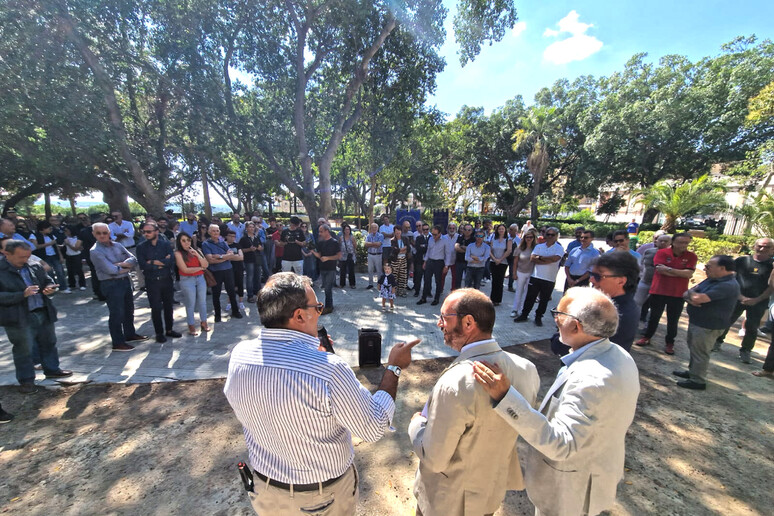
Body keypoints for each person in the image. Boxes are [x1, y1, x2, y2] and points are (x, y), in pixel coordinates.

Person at [223, 272, 419, 516]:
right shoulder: (328, 370)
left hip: (266, 491)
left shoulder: (240, 354)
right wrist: (394, 367)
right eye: (317, 307)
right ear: (299, 315)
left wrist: (319, 356)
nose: (319, 312)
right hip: (319, 499)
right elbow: (373, 426)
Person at [473, 287, 640, 516]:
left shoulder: (591, 379)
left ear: (575, 325)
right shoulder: (618, 354)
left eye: (557, 314)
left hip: (570, 490)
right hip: (593, 471)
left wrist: (506, 397)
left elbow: (562, 444)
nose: (555, 320)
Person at [408, 288, 538, 516]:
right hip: (489, 494)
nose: (439, 324)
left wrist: (416, 425)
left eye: (443, 317)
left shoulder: (456, 382)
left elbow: (435, 459)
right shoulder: (527, 369)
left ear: (469, 322)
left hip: (448, 501)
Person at [0, 240, 73, 393]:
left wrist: (49, 288)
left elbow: (48, 280)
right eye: (21, 257)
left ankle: (52, 369)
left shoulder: (34, 265)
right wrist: (21, 294)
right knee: (23, 349)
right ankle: (26, 381)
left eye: (28, 256)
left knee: (49, 342)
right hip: (18, 317)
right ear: (6, 254)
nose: (25, 260)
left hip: (42, 311)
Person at [674, 255, 740, 390]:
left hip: (709, 325)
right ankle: (693, 372)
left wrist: (692, 295)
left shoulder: (727, 285)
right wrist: (692, 295)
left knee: (700, 352)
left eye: (709, 266)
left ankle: (698, 381)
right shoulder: (712, 279)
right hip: (699, 322)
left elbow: (697, 297)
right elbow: (687, 293)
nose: (705, 268)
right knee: (694, 348)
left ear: (722, 268)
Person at [713, 238, 774, 363]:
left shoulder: (772, 266)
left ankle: (746, 350)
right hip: (737, 297)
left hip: (759, 301)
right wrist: (740, 296)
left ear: (772, 249)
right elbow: (731, 277)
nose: (762, 249)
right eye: (760, 246)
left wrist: (757, 299)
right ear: (754, 246)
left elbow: (771, 286)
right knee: (727, 320)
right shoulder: (742, 260)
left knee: (752, 327)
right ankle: (717, 342)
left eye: (767, 247)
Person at [89, 223, 148, 352]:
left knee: (128, 310)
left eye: (105, 232)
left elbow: (133, 259)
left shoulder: (118, 245)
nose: (102, 235)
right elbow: (111, 270)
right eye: (98, 233)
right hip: (110, 284)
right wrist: (126, 267)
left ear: (109, 233)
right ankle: (118, 342)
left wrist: (121, 265)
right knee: (117, 313)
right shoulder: (95, 251)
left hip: (125, 281)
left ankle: (130, 334)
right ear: (94, 234)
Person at [635, 233, 697, 355]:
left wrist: (669, 270)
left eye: (686, 243)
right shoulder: (662, 253)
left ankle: (670, 343)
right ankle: (647, 337)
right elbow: (659, 269)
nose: (683, 245)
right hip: (659, 290)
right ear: (673, 242)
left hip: (678, 293)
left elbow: (688, 274)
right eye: (680, 242)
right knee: (654, 316)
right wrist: (680, 272)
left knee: (673, 320)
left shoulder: (691, 256)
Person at [136, 222, 182, 343]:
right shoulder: (141, 247)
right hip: (152, 282)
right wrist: (160, 264)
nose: (146, 234)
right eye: (144, 232)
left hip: (166, 280)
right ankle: (159, 333)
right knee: (156, 308)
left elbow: (171, 261)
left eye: (149, 231)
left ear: (156, 232)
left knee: (168, 307)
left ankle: (169, 330)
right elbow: (143, 265)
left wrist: (153, 262)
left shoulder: (165, 244)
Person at [589, 251, 641, 351]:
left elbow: (564, 345)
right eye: (591, 274)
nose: (591, 280)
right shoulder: (624, 305)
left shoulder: (612, 313)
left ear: (621, 281)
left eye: (598, 276)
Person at [515, 227, 564, 327]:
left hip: (549, 278)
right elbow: (533, 258)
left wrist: (540, 258)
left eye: (552, 235)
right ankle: (524, 315)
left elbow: (555, 259)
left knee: (544, 300)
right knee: (530, 297)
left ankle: (538, 317)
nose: (549, 236)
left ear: (556, 236)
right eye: (548, 234)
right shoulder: (539, 246)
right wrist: (546, 259)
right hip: (536, 276)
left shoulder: (559, 248)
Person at [202, 224, 243, 322]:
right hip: (216, 272)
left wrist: (219, 257)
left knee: (231, 292)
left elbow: (231, 254)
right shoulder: (206, 244)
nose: (216, 233)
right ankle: (217, 314)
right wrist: (225, 257)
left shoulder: (223, 242)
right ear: (209, 232)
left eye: (217, 230)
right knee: (216, 294)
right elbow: (210, 260)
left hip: (228, 270)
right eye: (213, 231)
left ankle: (235, 311)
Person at [174, 232, 210, 335]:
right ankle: (191, 325)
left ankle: (204, 323)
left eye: (188, 240)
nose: (186, 243)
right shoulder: (178, 253)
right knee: (190, 303)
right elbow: (185, 269)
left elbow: (206, 264)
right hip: (187, 279)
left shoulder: (197, 250)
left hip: (200, 278)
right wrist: (200, 268)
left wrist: (197, 255)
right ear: (179, 242)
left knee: (202, 302)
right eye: (183, 240)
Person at [418, 225, 455, 306]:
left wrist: (446, 266)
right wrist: (425, 261)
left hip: (439, 262)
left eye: (435, 234)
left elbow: (448, 254)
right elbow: (428, 251)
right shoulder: (431, 239)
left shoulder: (445, 240)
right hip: (430, 261)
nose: (433, 236)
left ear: (440, 234)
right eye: (433, 234)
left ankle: (436, 298)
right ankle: (424, 297)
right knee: (426, 280)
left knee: (438, 281)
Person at [31, 221, 69, 293]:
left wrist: (60, 256)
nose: (50, 230)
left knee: (60, 271)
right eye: (48, 228)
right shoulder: (34, 236)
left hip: (54, 255)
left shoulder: (51, 235)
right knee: (49, 273)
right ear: (42, 229)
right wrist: (49, 244)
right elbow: (36, 246)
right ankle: (52, 288)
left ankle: (63, 287)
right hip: (44, 256)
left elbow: (56, 246)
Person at [311, 224, 340, 315]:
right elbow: (319, 255)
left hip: (331, 268)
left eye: (321, 231)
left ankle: (329, 307)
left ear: (327, 231)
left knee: (328, 288)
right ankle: (328, 305)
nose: (319, 233)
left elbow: (339, 256)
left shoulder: (334, 242)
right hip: (322, 268)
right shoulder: (321, 243)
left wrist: (328, 258)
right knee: (325, 288)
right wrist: (312, 251)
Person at [510, 228, 538, 318]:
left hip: (532, 273)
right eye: (527, 237)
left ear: (534, 238)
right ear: (524, 238)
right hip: (520, 272)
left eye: (531, 237)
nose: (529, 239)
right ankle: (515, 309)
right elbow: (515, 262)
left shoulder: (536, 248)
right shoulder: (520, 248)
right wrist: (514, 273)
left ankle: (523, 310)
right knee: (519, 291)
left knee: (528, 293)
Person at [76, 214, 104, 301]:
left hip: (90, 255)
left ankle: (97, 293)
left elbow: (77, 245)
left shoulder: (84, 231)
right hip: (102, 254)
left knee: (94, 274)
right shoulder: (103, 230)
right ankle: (104, 293)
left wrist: (84, 249)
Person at [488, 224, 512, 305]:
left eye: (502, 229)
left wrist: (500, 259)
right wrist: (494, 259)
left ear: (505, 230)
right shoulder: (493, 238)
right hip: (493, 261)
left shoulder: (508, 239)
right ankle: (492, 298)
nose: (501, 230)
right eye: (499, 229)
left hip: (503, 262)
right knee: (494, 280)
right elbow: (489, 250)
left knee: (500, 280)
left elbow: (509, 251)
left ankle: (497, 299)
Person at [240, 222, 264, 303]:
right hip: (249, 259)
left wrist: (260, 248)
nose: (251, 228)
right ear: (246, 228)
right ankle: (250, 295)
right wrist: (249, 249)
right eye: (250, 227)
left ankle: (257, 293)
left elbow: (261, 247)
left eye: (253, 227)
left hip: (257, 259)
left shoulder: (256, 238)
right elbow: (241, 250)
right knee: (249, 277)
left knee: (258, 276)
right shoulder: (244, 239)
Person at [225, 230, 246, 313]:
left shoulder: (237, 245)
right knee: (230, 286)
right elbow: (222, 257)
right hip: (228, 269)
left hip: (239, 268)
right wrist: (234, 256)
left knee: (240, 284)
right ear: (226, 236)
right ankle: (229, 302)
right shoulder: (223, 245)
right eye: (230, 236)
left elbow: (241, 257)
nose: (232, 238)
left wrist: (228, 256)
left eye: (234, 236)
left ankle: (241, 302)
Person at [390, 226, 412, 297]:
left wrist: (400, 249)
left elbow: (408, 248)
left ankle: (402, 292)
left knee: (403, 276)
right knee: (395, 276)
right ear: (394, 232)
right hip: (395, 260)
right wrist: (403, 249)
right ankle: (394, 291)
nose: (398, 232)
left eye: (399, 231)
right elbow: (394, 250)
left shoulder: (405, 239)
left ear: (401, 231)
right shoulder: (392, 240)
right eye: (396, 231)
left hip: (403, 259)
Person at [63, 225, 86, 291]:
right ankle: (72, 285)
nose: (65, 232)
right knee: (70, 271)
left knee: (79, 270)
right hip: (68, 256)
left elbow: (76, 248)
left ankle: (82, 284)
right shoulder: (66, 238)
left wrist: (68, 244)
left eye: (67, 231)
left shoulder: (77, 238)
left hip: (76, 255)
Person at [453, 224, 474, 290]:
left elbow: (473, 251)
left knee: (468, 282)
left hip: (469, 263)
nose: (467, 231)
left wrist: (463, 248)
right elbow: (456, 247)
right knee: (457, 281)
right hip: (459, 262)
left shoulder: (474, 239)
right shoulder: (460, 237)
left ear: (471, 231)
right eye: (465, 229)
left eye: (469, 230)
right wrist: (467, 249)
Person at [364, 222, 384, 290]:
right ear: (371, 228)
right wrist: (374, 244)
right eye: (372, 227)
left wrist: (371, 243)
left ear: (377, 228)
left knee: (379, 270)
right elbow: (366, 244)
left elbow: (379, 244)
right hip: (370, 255)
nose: (374, 229)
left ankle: (379, 284)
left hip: (378, 255)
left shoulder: (380, 235)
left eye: (375, 227)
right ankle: (370, 284)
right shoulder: (369, 236)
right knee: (370, 270)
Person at [413, 223, 430, 297]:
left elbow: (431, 249)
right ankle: (417, 291)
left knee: (428, 277)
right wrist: (426, 247)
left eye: (427, 229)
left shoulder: (431, 238)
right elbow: (418, 248)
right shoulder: (418, 238)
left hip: (429, 260)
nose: (425, 231)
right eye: (424, 229)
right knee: (418, 277)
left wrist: (424, 246)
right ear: (422, 230)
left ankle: (428, 292)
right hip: (419, 260)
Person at [338, 223, 357, 288]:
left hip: (350, 255)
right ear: (343, 231)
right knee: (342, 270)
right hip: (343, 256)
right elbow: (339, 246)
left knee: (351, 270)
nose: (347, 231)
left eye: (348, 229)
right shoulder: (341, 238)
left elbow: (355, 246)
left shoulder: (352, 238)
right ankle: (342, 284)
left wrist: (353, 254)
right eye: (346, 229)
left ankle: (352, 284)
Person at [506, 224, 521, 292]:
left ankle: (510, 286)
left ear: (516, 231)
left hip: (513, 257)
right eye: (509, 229)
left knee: (512, 271)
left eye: (512, 230)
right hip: (505, 256)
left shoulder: (519, 240)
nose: (510, 231)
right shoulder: (506, 237)